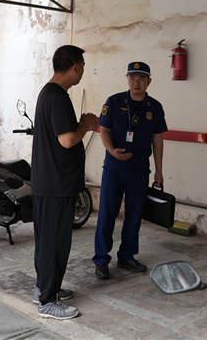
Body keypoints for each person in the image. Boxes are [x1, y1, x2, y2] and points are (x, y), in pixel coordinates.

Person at [31, 45, 99, 319]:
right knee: (55, 244)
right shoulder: (58, 97)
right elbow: (68, 140)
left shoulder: (48, 93)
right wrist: (86, 126)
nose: (82, 72)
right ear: (74, 67)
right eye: (82, 67)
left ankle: (45, 288)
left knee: (47, 241)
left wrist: (80, 123)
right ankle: (48, 301)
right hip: (56, 184)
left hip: (48, 182)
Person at [92, 62, 167, 279]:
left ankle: (126, 256)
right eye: (132, 78)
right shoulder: (114, 102)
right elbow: (104, 130)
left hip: (139, 170)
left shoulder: (155, 107)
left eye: (141, 78)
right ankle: (101, 259)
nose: (136, 82)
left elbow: (158, 140)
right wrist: (111, 151)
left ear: (149, 81)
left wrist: (159, 170)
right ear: (127, 80)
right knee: (107, 213)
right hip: (114, 169)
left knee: (134, 215)